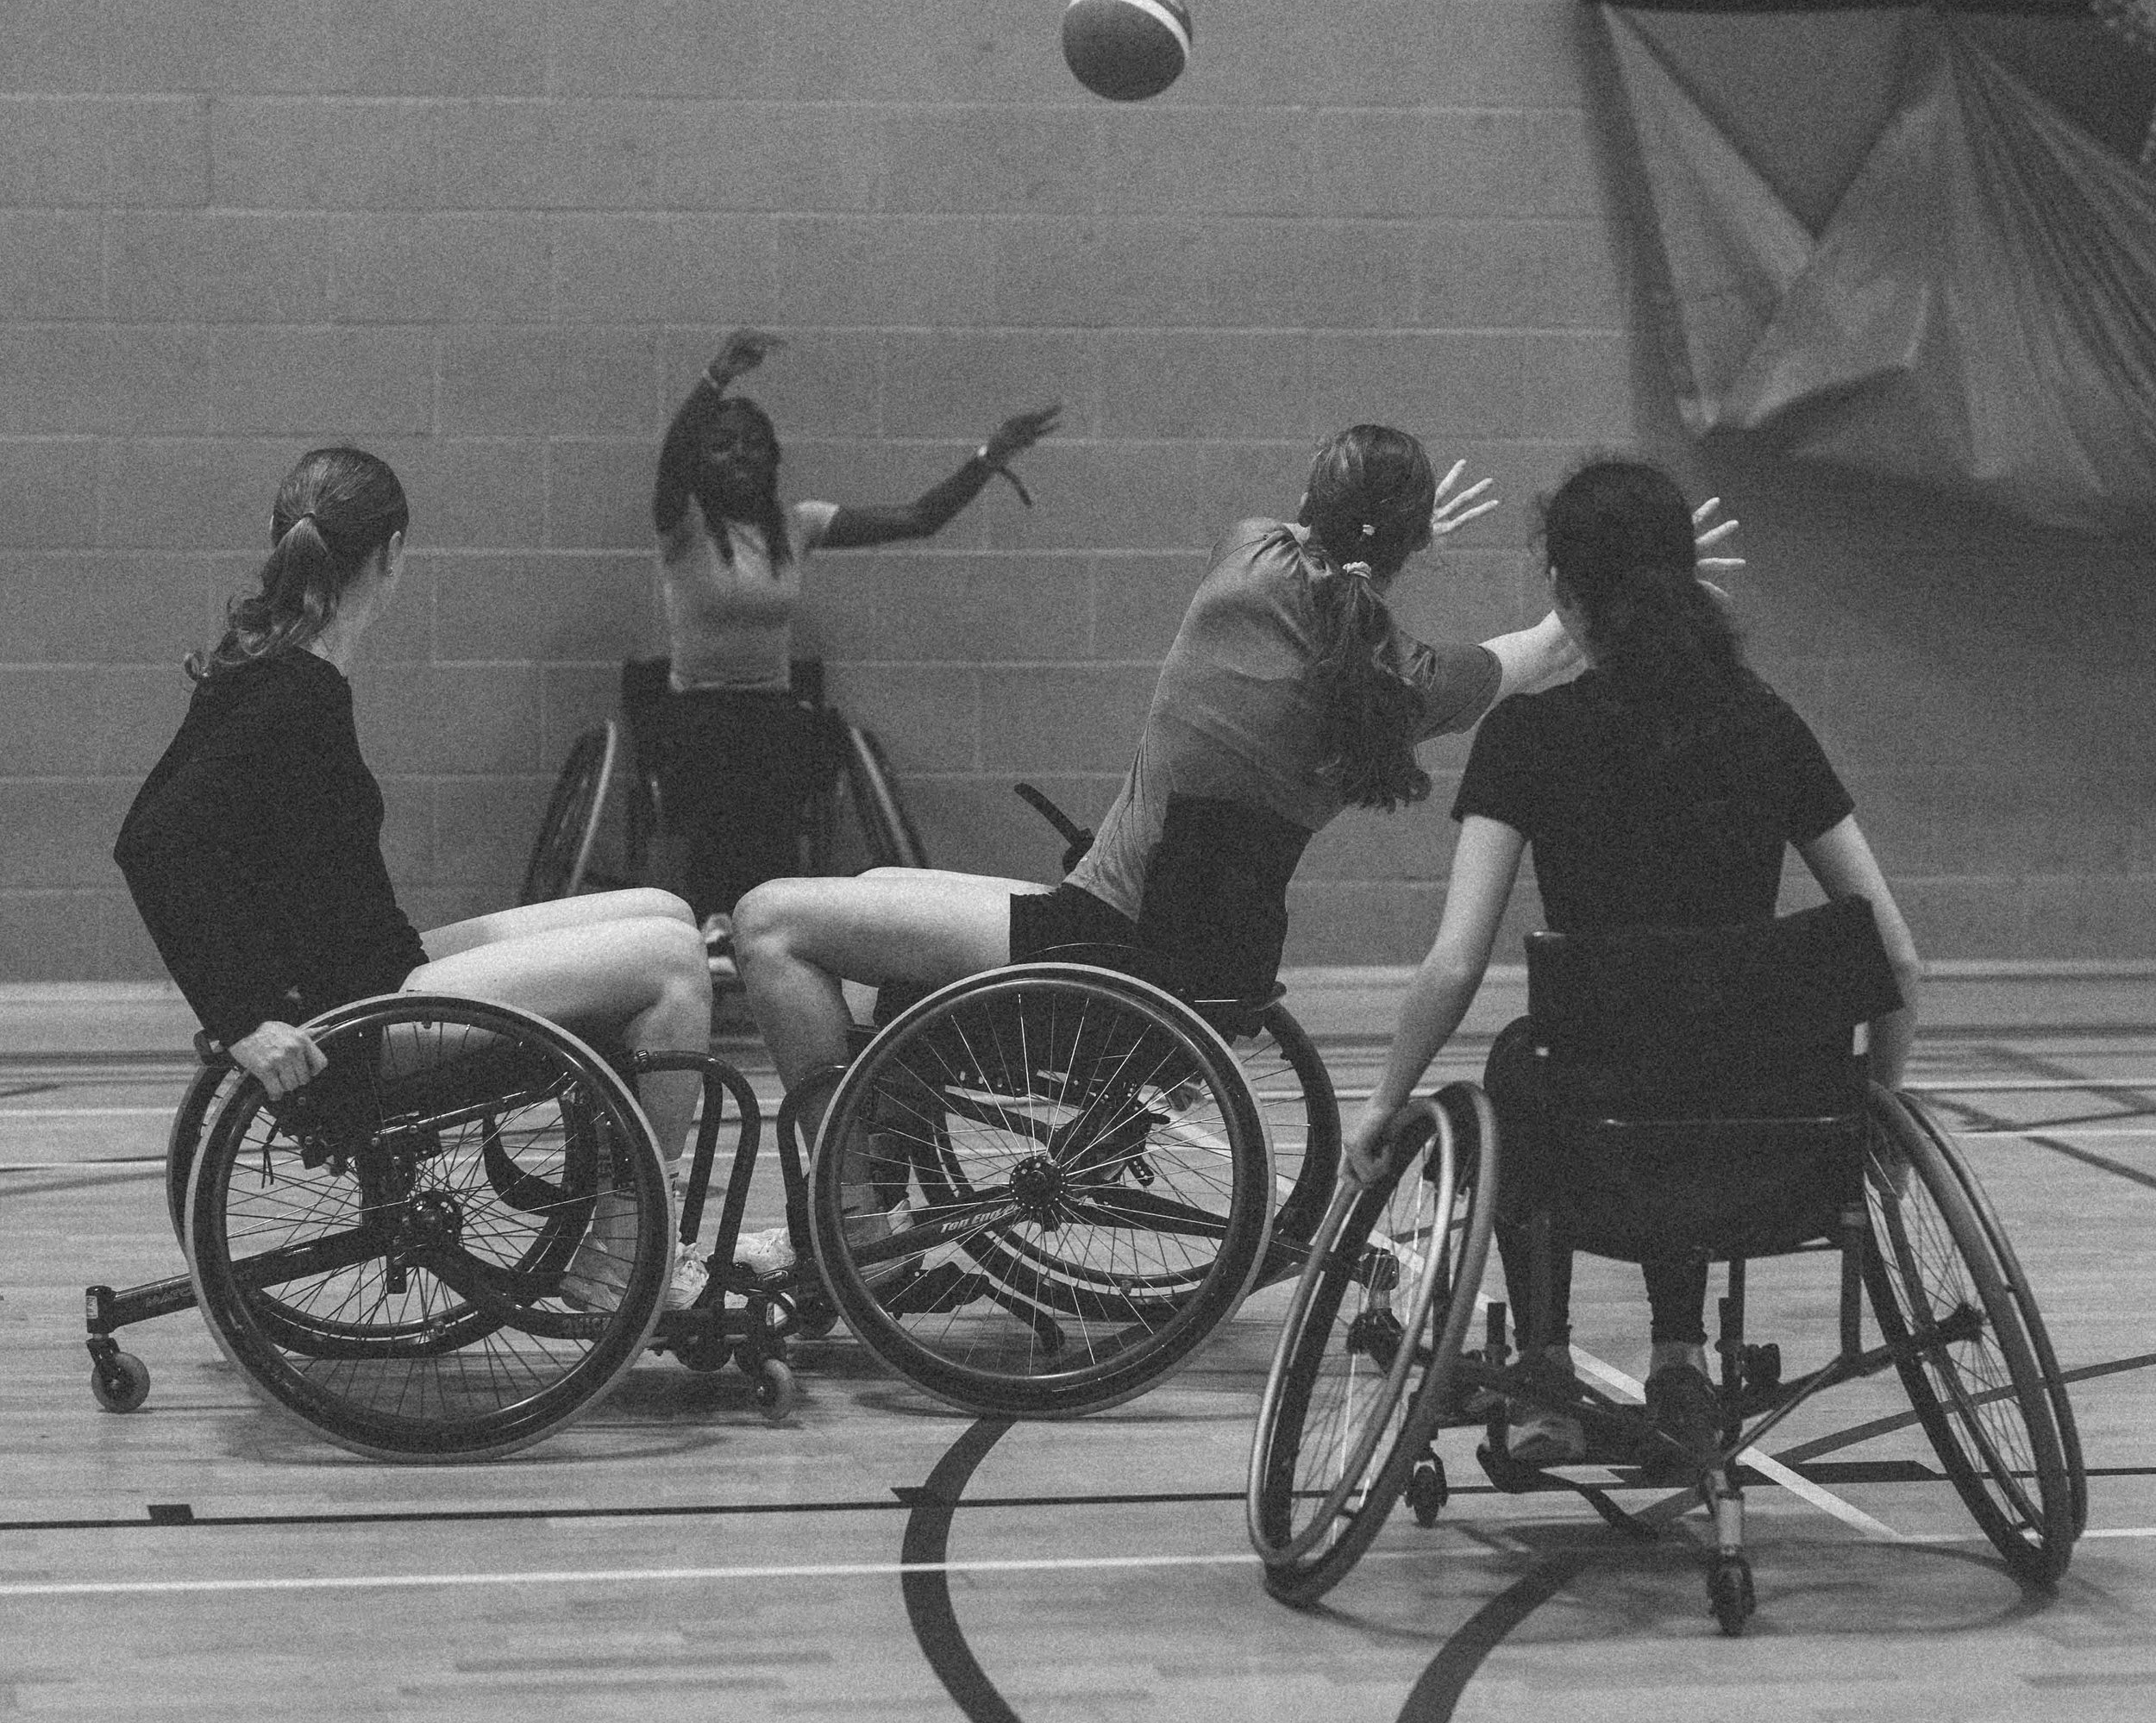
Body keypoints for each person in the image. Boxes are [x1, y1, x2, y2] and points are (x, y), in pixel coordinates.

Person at [733, 425, 1736, 1201]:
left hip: (1101, 937)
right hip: (1192, 959)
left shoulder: (1247, 558)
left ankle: (848, 1211)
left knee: (770, 919)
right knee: (870, 891)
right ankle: (878, 1169)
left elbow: (1331, 565)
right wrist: (1641, 580)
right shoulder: (1405, 683)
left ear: (1308, 501)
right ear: (1411, 538)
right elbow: (1543, 649)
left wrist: (1404, 547)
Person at [1344, 455, 1924, 1463]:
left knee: (1520, 1066)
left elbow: (1452, 966)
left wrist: (1383, 1101)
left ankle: (1544, 1369)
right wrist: (1869, 1119)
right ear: (1692, 580)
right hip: (1767, 1130)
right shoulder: (1766, 722)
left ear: (1564, 593)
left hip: (1591, 1126)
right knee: (1699, 1055)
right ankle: (1680, 1355)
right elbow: (1897, 960)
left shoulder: (1525, 736)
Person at [115, 448, 718, 1312]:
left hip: (363, 971)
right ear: (393, 552)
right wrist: (242, 1017)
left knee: (664, 909)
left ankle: (621, 1224)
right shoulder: (293, 690)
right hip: (359, 1016)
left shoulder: (274, 665)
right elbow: (152, 842)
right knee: (673, 963)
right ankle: (621, 1255)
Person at [650, 329, 1061, 923]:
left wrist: (987, 459)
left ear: (773, 458)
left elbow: (919, 518)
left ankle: (764, 928)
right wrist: (715, 379)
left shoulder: (798, 525)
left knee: (781, 773)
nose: (739, 454)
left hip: (770, 710)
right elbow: (670, 462)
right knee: (725, 780)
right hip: (699, 715)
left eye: (753, 444)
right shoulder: (681, 527)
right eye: (721, 445)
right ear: (700, 461)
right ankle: (712, 924)